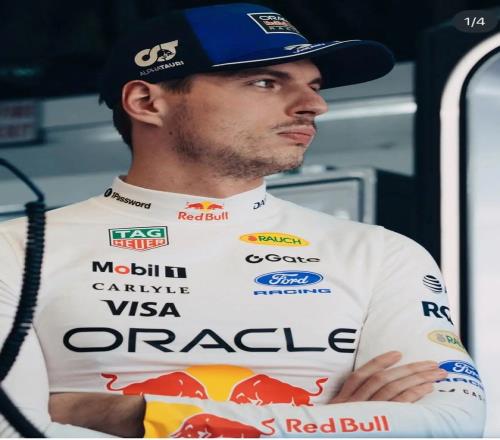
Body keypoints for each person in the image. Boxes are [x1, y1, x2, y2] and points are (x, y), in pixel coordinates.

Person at [0, 2, 486, 437]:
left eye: (314, 86)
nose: (314, 105)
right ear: (147, 102)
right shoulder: (14, 250)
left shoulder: (381, 254)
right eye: (265, 82)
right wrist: (334, 425)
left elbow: (451, 420)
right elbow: (11, 430)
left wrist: (137, 415)